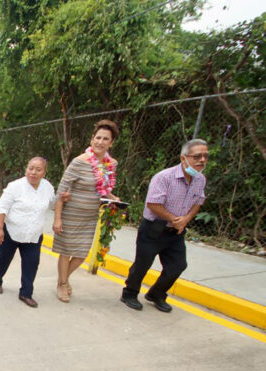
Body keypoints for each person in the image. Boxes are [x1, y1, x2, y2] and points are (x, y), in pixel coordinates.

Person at [121, 139, 209, 312]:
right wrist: (174, 218)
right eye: (197, 156)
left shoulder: (200, 180)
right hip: (154, 228)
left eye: (205, 156)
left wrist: (185, 220)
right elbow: (153, 203)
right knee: (142, 264)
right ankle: (129, 293)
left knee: (178, 265)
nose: (202, 160)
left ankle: (156, 294)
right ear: (184, 158)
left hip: (176, 231)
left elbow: (198, 201)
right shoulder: (164, 177)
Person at [52, 119, 121, 302]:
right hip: (71, 214)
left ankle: (63, 280)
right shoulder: (78, 162)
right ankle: (62, 284)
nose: (100, 142)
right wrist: (57, 218)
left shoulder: (111, 164)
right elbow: (61, 191)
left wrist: (113, 198)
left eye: (105, 139)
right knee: (66, 251)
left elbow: (104, 188)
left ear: (111, 142)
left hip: (90, 216)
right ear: (92, 140)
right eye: (98, 137)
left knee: (82, 253)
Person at [0, 157, 58, 308]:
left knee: (32, 263)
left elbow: (52, 203)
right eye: (30, 168)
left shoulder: (47, 187)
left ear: (44, 172)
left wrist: (62, 200)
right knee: (3, 258)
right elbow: (2, 207)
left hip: (33, 234)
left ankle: (26, 293)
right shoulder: (15, 186)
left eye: (38, 169)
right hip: (12, 231)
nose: (33, 172)